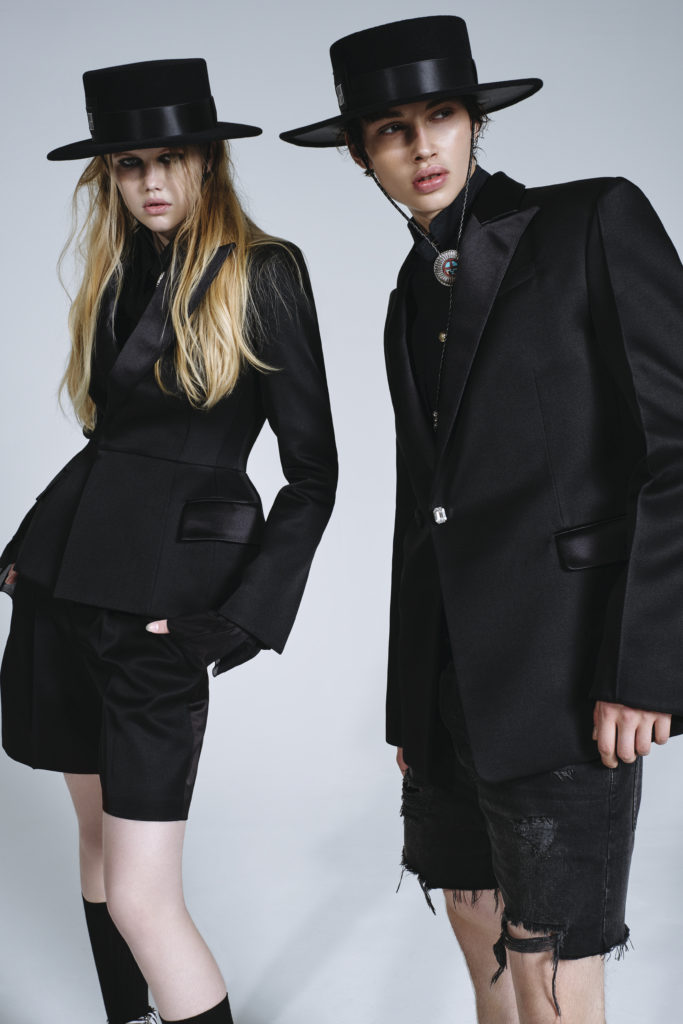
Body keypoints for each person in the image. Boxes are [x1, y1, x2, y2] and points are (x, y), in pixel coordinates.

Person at [280, 15, 682, 1024]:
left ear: (473, 124)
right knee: (475, 930)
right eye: (391, 130)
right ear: (359, 154)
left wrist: (647, 666)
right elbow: (424, 515)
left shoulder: (589, 221)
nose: (422, 147)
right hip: (450, 692)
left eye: (442, 117)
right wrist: (409, 704)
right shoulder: (407, 297)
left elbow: (676, 452)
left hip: (566, 678)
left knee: (552, 973)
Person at [0, 58, 337, 1024]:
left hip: (161, 609)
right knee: (99, 855)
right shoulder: (117, 274)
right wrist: (31, 556)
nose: (151, 181)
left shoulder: (264, 271)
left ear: (207, 162)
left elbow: (313, 474)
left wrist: (239, 619)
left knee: (143, 896)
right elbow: (111, 442)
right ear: (106, 174)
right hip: (62, 589)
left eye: (171, 159)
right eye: (128, 164)